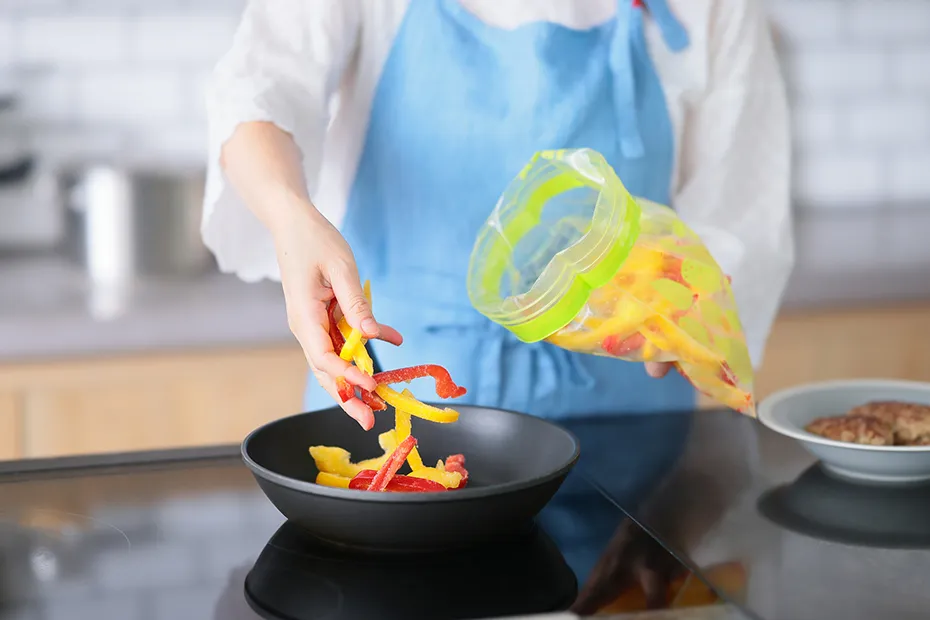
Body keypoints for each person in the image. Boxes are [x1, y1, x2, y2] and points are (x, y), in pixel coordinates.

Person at [203, 0, 793, 429]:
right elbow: (255, 90)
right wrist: (291, 215)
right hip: (389, 412)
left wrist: (688, 306)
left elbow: (741, 211)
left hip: (625, 428)